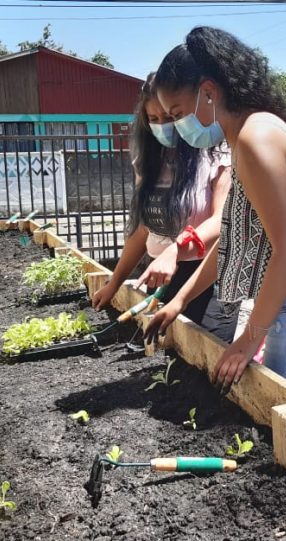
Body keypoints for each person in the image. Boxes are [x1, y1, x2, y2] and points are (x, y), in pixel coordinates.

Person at [145, 27, 286, 405]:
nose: (177, 126)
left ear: (209, 92)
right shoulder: (253, 131)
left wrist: (248, 339)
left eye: (178, 114)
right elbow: (234, 237)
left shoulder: (253, 139)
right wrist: (180, 300)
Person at [91, 72, 237, 343]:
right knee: (170, 355)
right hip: (162, 276)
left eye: (169, 118)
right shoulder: (147, 163)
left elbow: (221, 221)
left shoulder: (216, 155)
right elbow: (143, 229)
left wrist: (176, 250)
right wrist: (114, 283)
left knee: (205, 359)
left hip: (208, 277)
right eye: (154, 120)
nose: (163, 127)